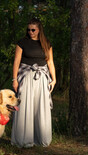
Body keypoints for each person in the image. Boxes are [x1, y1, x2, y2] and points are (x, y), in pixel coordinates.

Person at [11, 18, 56, 148]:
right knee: (25, 106)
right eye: (29, 29)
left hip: (42, 77)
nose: (30, 32)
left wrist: (54, 79)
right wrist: (14, 79)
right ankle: (24, 139)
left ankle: (41, 137)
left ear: (39, 30)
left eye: (33, 30)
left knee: (40, 106)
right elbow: (16, 61)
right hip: (26, 77)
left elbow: (50, 62)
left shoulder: (46, 43)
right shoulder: (22, 43)